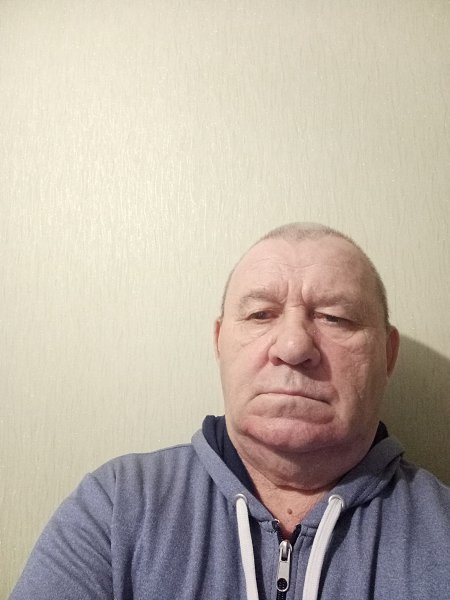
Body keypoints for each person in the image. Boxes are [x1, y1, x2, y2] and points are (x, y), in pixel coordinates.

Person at [9, 223, 450, 600]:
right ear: (219, 342)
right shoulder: (115, 505)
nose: (293, 346)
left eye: (335, 317)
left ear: (388, 354)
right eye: (260, 314)